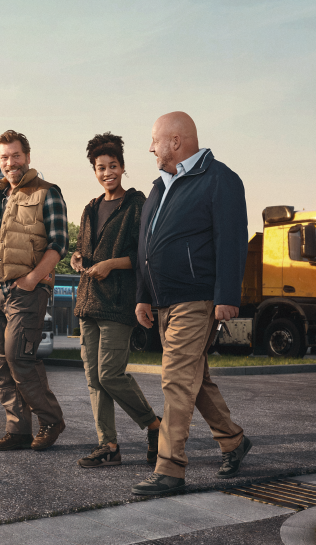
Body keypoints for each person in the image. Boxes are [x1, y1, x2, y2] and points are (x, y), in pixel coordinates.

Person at [131, 112, 251, 495]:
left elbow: (232, 239)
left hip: (195, 298)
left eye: (155, 140)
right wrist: (143, 295)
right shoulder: (159, 187)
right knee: (195, 381)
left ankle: (170, 468)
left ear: (176, 141)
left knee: (176, 380)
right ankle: (233, 441)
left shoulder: (219, 179)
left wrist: (227, 296)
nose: (151, 148)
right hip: (164, 301)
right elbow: (145, 245)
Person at [0, 130, 69, 452]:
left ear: (27, 156)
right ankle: (18, 430)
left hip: (27, 292)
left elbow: (59, 244)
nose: (10, 163)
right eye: (4, 157)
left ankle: (51, 420)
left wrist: (32, 280)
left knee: (19, 358)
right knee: (1, 365)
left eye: (15, 156)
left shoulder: (47, 193)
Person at [69, 132, 161, 468]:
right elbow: (84, 248)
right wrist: (78, 257)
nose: (107, 172)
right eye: (100, 167)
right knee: (94, 379)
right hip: (88, 302)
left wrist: (110, 264)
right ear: (94, 170)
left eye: (112, 166)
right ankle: (107, 445)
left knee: (110, 374)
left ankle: (155, 425)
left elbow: (143, 255)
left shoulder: (136, 205)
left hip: (118, 304)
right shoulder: (90, 208)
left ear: (122, 167)